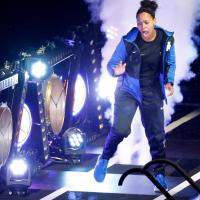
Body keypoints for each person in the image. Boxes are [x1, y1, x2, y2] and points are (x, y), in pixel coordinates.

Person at [93, 0, 176, 192]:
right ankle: (104, 158)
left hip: (152, 91)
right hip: (128, 90)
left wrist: (169, 81)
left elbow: (170, 61)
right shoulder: (129, 40)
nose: (142, 27)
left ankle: (159, 175)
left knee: (156, 136)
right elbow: (112, 64)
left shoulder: (167, 39)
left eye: (146, 23)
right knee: (121, 130)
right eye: (139, 23)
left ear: (154, 21)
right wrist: (117, 70)